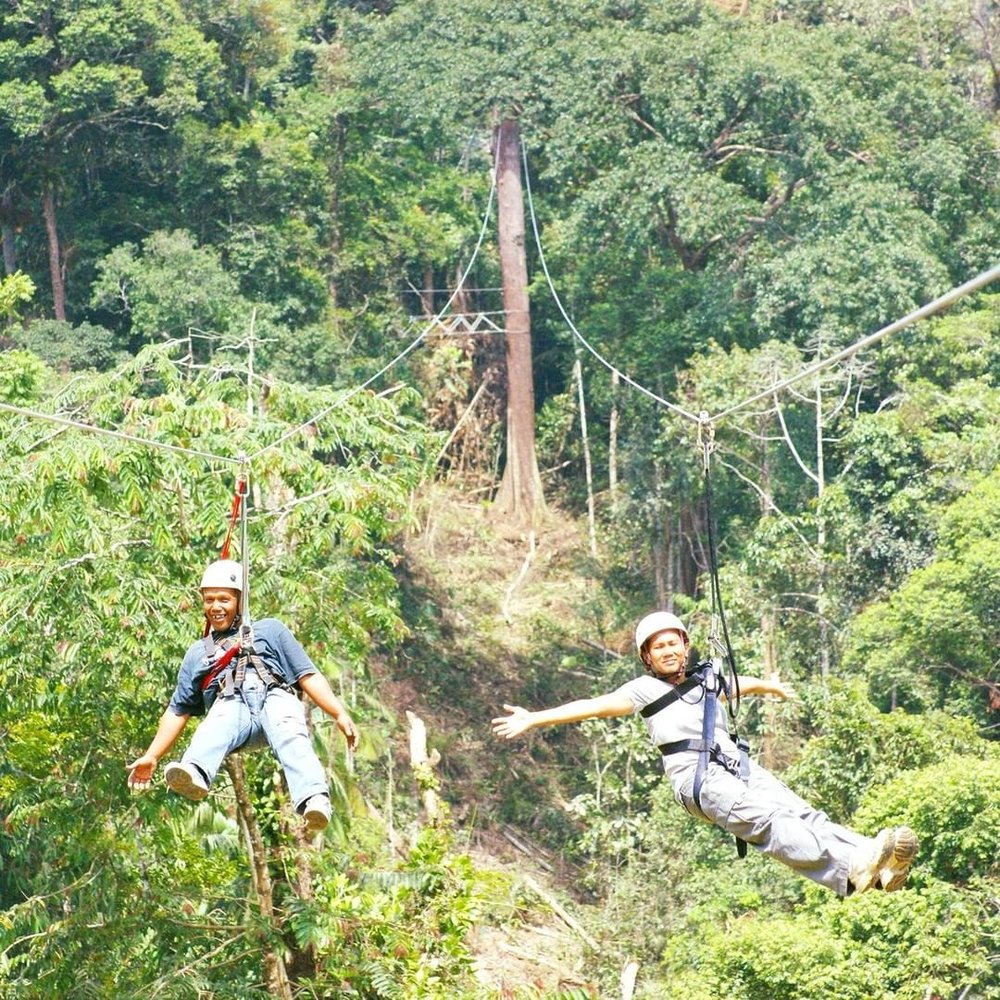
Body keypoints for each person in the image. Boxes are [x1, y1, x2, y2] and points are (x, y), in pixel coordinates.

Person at [492, 611, 918, 896]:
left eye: (673, 644)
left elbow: (737, 685)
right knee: (769, 821)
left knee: (803, 813)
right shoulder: (644, 691)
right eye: (658, 648)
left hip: (733, 764)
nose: (668, 652)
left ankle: (880, 865)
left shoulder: (705, 682)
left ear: (685, 645)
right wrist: (534, 718)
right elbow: (591, 707)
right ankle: (850, 869)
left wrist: (768, 686)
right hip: (698, 780)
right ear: (647, 657)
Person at [127, 559, 359, 835]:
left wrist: (339, 713)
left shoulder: (271, 631)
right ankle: (196, 772)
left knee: (289, 731)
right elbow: (178, 710)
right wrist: (152, 756)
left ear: (240, 600)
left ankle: (313, 798)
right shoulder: (199, 653)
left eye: (224, 599)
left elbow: (307, 675)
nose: (215, 607)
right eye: (209, 600)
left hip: (274, 699)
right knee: (216, 723)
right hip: (234, 710)